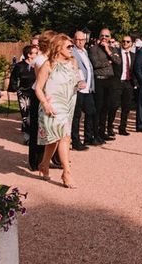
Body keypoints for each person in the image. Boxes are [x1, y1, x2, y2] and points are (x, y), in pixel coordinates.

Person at [35, 34, 86, 188]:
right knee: (64, 137)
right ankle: (67, 173)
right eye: (69, 46)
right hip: (53, 105)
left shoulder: (73, 62)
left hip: (68, 104)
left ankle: (44, 164)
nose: (72, 49)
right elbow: (38, 88)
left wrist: (80, 83)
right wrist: (45, 104)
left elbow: (77, 80)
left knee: (56, 139)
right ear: (58, 48)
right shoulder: (48, 64)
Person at [28, 30, 56, 171]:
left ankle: (47, 159)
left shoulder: (50, 58)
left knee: (48, 127)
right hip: (39, 94)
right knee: (37, 128)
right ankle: (35, 161)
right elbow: (41, 81)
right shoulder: (40, 59)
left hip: (48, 95)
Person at [88, 29, 121, 141]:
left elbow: (118, 61)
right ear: (99, 36)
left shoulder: (112, 49)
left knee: (106, 108)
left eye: (107, 36)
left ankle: (102, 132)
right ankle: (95, 133)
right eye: (102, 35)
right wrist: (109, 62)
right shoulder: (93, 49)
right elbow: (95, 64)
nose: (104, 38)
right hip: (99, 80)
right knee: (98, 107)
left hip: (109, 81)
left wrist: (108, 50)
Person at [72, 31, 98, 148]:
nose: (79, 42)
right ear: (74, 40)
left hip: (88, 88)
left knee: (91, 112)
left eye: (82, 40)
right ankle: (76, 141)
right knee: (76, 116)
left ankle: (88, 137)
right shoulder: (72, 51)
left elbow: (88, 69)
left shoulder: (85, 51)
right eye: (77, 39)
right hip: (78, 88)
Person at [8, 45, 38, 142]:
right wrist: (16, 89)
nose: (38, 55)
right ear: (29, 55)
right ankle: (27, 137)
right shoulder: (19, 66)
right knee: (25, 115)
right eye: (35, 53)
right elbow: (13, 78)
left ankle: (35, 136)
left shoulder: (39, 65)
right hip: (24, 93)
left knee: (34, 115)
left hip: (36, 92)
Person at [110, 34, 135, 135]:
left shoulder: (133, 55)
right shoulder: (116, 53)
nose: (125, 43)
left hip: (128, 83)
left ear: (131, 44)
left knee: (126, 106)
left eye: (128, 42)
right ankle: (110, 127)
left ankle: (122, 127)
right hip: (117, 83)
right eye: (124, 41)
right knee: (114, 106)